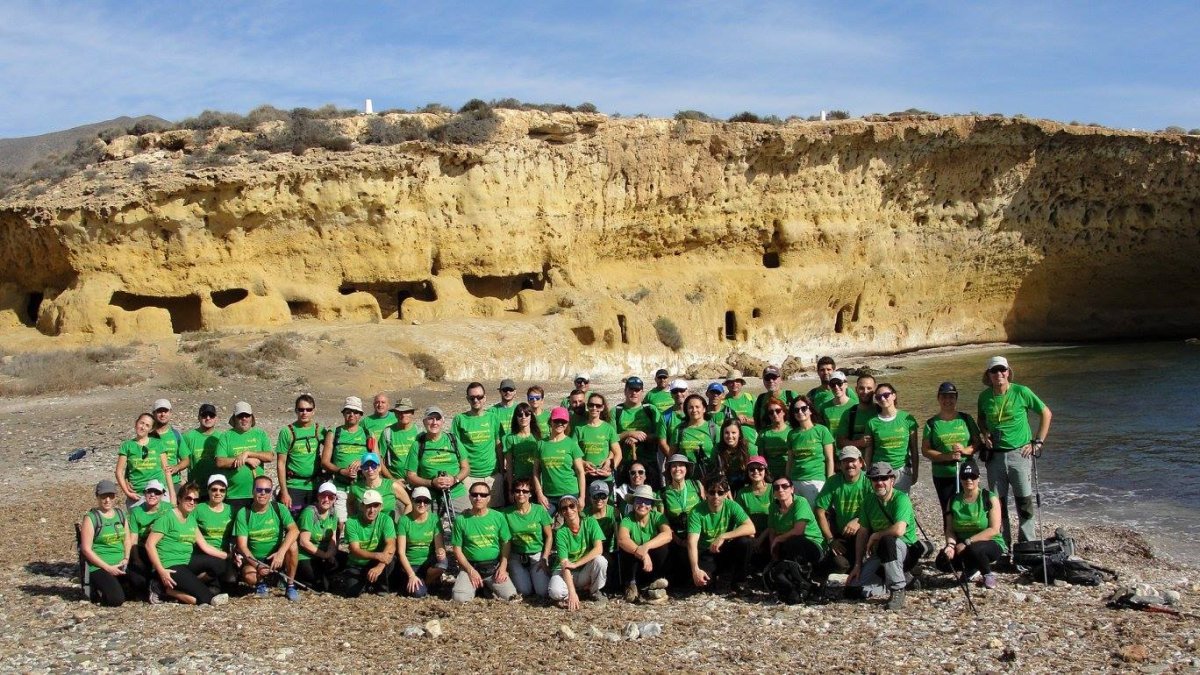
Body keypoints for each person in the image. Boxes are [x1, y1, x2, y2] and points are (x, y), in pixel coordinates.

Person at [977, 355, 1052, 546]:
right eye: (994, 371)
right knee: (997, 503)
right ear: (989, 374)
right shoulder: (984, 397)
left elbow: (1045, 413)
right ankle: (1002, 545)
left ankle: (1026, 547)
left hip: (1020, 454)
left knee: (1024, 502)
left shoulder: (1021, 392)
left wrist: (1038, 442)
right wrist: (984, 433)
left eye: (1002, 370)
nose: (999, 374)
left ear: (1008, 372)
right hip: (994, 458)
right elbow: (981, 420)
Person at [848, 462, 920, 611]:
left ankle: (898, 589)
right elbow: (862, 532)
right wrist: (857, 565)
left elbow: (899, 530)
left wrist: (876, 535)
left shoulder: (901, 499)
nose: (879, 482)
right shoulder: (868, 501)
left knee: (887, 541)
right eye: (875, 479)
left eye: (883, 478)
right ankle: (899, 580)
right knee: (851, 591)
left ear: (892, 480)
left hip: (903, 549)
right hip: (879, 552)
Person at [145, 481, 230, 605]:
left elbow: (204, 545)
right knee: (206, 598)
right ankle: (165, 590)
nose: (192, 502)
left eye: (195, 500)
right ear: (179, 499)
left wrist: (227, 556)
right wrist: (161, 571)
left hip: (187, 561)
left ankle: (185, 584)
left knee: (220, 565)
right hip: (171, 565)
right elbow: (149, 544)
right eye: (188, 498)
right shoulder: (167, 518)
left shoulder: (190, 518)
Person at [935, 461, 1005, 588]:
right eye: (965, 477)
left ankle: (987, 575)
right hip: (962, 544)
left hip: (989, 542)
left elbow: (994, 529)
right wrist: (950, 545)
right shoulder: (953, 500)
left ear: (978, 478)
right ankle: (971, 568)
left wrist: (968, 541)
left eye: (972, 477)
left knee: (975, 550)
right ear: (960, 479)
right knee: (942, 561)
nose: (969, 480)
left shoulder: (989, 497)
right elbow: (949, 528)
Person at [234, 475, 300, 599]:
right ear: (253, 491)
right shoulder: (244, 513)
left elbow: (294, 530)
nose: (263, 493)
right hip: (254, 558)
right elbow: (242, 546)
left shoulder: (279, 508)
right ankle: (261, 582)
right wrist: (257, 565)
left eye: (267, 490)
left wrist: (280, 553)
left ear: (271, 493)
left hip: (275, 556)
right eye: (259, 490)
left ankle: (290, 585)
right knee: (249, 576)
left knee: (293, 545)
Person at [451, 481, 519, 602]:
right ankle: (477, 586)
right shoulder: (461, 520)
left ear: (489, 498)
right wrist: (470, 570)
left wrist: (503, 567)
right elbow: (457, 549)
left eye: (483, 495)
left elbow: (506, 543)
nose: (478, 498)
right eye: (475, 494)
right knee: (460, 599)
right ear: (469, 497)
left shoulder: (498, 517)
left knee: (511, 596)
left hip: (493, 567)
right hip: (470, 567)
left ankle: (485, 586)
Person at [79, 479, 143, 607]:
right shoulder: (91, 518)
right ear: (97, 496)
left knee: (141, 585)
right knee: (116, 599)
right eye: (103, 496)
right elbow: (86, 549)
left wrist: (126, 558)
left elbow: (127, 539)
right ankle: (97, 587)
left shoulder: (120, 514)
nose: (107, 500)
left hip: (120, 563)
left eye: (110, 496)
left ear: (115, 497)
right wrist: (108, 568)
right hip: (100, 566)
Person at [688, 474, 755, 592]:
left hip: (725, 548)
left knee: (746, 541)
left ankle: (739, 581)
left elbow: (751, 528)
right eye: (712, 492)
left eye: (720, 492)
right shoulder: (696, 511)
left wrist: (723, 536)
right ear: (706, 493)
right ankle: (715, 575)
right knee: (704, 584)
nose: (716, 496)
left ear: (726, 493)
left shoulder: (732, 506)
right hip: (706, 552)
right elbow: (692, 542)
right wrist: (695, 570)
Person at [922, 382, 981, 513]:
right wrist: (946, 456)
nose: (947, 400)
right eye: (944, 397)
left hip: (967, 472)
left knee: (971, 509)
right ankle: (949, 533)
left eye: (951, 397)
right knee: (948, 510)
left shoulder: (966, 419)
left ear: (956, 398)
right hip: (942, 474)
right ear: (938, 398)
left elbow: (978, 443)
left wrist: (965, 450)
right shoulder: (931, 423)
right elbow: (925, 450)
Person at [405, 406, 471, 517]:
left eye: (438, 418)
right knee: (430, 529)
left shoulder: (453, 440)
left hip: (456, 492)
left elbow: (466, 468)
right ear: (424, 422)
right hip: (429, 495)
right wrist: (431, 483)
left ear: (443, 421)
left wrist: (454, 480)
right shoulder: (418, 445)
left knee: (467, 523)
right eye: (430, 418)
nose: (434, 422)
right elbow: (410, 476)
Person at [814, 447, 871, 573]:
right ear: (839, 465)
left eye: (853, 460)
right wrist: (830, 539)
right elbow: (819, 510)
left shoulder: (869, 480)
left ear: (861, 463)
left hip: (866, 532)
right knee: (839, 565)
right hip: (843, 535)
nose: (850, 464)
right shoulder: (833, 481)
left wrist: (859, 520)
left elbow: (877, 507)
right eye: (845, 461)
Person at [548, 494, 608, 610]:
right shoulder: (561, 533)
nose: (568, 510)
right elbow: (565, 564)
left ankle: (594, 591)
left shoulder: (590, 522)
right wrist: (572, 592)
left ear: (578, 507)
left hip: (583, 569)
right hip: (565, 572)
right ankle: (574, 593)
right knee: (554, 592)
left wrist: (576, 564)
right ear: (561, 512)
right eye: (564, 508)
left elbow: (599, 549)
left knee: (601, 561)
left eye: (571, 506)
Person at [453, 382, 506, 508]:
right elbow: (455, 449)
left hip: (492, 476)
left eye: (479, 397)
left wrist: (502, 472)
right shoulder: (460, 419)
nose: (476, 400)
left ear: (485, 397)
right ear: (467, 399)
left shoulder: (493, 418)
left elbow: (498, 445)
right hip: (469, 477)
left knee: (495, 513)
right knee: (470, 513)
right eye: (472, 398)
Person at [321, 396, 372, 529]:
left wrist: (362, 462)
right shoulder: (334, 433)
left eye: (355, 412)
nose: (351, 415)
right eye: (348, 411)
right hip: (340, 485)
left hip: (361, 486)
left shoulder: (367, 434)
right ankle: (336, 549)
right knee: (340, 523)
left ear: (360, 415)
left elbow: (375, 459)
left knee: (361, 522)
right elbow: (325, 462)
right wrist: (341, 471)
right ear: (343, 413)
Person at [616, 485, 672, 604]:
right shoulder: (627, 519)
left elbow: (668, 535)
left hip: (653, 564)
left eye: (647, 501)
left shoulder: (658, 517)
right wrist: (642, 553)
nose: (642, 504)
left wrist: (645, 547)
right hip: (636, 563)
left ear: (651, 505)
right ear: (634, 503)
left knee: (663, 547)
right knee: (626, 548)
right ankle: (631, 584)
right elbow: (622, 539)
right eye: (639, 500)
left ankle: (656, 582)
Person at [215, 402, 273, 514]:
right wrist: (245, 460)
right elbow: (219, 461)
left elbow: (270, 456)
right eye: (240, 416)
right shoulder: (226, 436)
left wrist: (248, 453)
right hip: (233, 495)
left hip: (258, 494)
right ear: (235, 418)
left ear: (252, 417)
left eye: (247, 415)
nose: (244, 419)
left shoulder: (260, 434)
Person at [338, 489, 396, 597]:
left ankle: (380, 586)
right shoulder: (351, 522)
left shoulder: (386, 520)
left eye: (376, 506)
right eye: (368, 506)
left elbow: (391, 544)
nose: (372, 510)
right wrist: (377, 555)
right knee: (352, 592)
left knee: (391, 557)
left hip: (376, 562)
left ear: (381, 507)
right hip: (358, 563)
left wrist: (380, 566)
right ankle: (367, 582)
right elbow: (355, 550)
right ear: (361, 506)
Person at [502, 478, 553, 599]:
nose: (521, 494)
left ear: (530, 494)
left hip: (537, 555)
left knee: (542, 592)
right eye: (517, 491)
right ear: (513, 493)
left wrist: (545, 557)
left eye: (525, 491)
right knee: (525, 591)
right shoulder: (506, 513)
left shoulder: (539, 510)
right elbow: (504, 540)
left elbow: (549, 536)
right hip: (517, 556)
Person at [863, 384, 919, 493]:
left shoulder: (908, 419)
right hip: (879, 471)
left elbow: (914, 449)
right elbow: (869, 451)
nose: (883, 399)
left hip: (902, 470)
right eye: (879, 397)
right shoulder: (872, 422)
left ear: (894, 395)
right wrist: (867, 473)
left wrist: (915, 472)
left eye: (886, 395)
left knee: (901, 505)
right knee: (881, 505)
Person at [276, 394, 326, 514]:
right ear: (296, 410)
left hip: (315, 486)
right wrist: (284, 492)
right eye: (301, 409)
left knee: (313, 523)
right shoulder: (287, 432)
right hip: (294, 485)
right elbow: (280, 463)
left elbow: (332, 450)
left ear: (313, 411)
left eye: (308, 409)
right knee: (292, 523)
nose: (304, 412)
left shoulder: (319, 430)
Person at [395, 486, 448, 598]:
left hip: (428, 562)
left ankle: (426, 581)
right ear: (412, 501)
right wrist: (411, 575)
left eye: (426, 501)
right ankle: (423, 582)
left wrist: (441, 551)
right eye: (418, 500)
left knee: (443, 562)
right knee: (419, 593)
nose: (422, 504)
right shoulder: (404, 520)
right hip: (411, 563)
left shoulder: (434, 519)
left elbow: (439, 546)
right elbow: (401, 552)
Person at [533, 407, 585, 516]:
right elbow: (536, 472)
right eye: (556, 420)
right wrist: (539, 494)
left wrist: (582, 497)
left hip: (570, 492)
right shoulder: (541, 444)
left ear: (567, 423)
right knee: (543, 522)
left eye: (563, 421)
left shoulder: (571, 444)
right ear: (550, 421)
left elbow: (580, 472)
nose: (560, 424)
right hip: (548, 495)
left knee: (571, 524)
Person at [786, 396, 835, 506]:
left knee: (817, 515)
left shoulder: (821, 430)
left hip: (816, 480)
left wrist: (829, 482)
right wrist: (787, 482)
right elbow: (790, 461)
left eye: (803, 408)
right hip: (795, 480)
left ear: (810, 410)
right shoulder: (792, 434)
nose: (800, 412)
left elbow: (829, 459)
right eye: (796, 410)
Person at [612, 376, 661, 487]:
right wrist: (628, 434)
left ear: (642, 392)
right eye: (631, 389)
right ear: (625, 391)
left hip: (649, 463)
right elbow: (611, 438)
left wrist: (640, 437)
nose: (634, 393)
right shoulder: (616, 411)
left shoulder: (650, 410)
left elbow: (660, 435)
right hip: (625, 465)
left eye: (637, 390)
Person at [116, 413, 174, 507]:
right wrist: (127, 492)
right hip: (138, 494)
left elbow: (166, 470)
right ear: (136, 423)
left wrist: (173, 497)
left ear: (151, 429)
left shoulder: (158, 443)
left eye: (147, 425)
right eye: (141, 423)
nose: (143, 427)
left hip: (159, 492)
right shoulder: (127, 446)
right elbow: (119, 472)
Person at [767, 477, 825, 569]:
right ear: (773, 492)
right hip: (786, 544)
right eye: (776, 487)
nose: (780, 489)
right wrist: (774, 555)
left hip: (811, 544)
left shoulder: (800, 502)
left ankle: (802, 574)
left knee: (793, 541)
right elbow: (772, 531)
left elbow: (798, 531)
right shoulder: (773, 506)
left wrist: (778, 539)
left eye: (785, 486)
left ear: (792, 489)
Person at [128, 478, 170, 600]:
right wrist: (136, 559)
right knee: (138, 579)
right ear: (144, 493)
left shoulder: (169, 508)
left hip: (163, 548)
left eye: (156, 492)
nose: (152, 495)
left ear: (162, 494)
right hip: (142, 548)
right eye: (149, 492)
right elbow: (133, 539)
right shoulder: (136, 512)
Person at [660, 454, 705, 567]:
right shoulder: (663, 493)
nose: (677, 469)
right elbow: (663, 522)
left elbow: (706, 509)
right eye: (674, 466)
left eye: (681, 465)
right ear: (669, 470)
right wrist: (679, 541)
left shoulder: (697, 485)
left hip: (699, 535)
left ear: (687, 469)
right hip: (678, 539)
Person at [572, 393, 622, 494]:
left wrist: (610, 468)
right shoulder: (579, 428)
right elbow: (572, 454)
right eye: (591, 405)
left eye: (598, 405)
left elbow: (618, 453)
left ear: (602, 407)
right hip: (585, 476)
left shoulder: (608, 428)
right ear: (587, 406)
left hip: (605, 477)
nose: (594, 408)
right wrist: (583, 463)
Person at [296, 482, 340, 592]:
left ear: (335, 499)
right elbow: (303, 542)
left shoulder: (333, 513)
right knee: (321, 584)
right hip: (306, 555)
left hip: (323, 553)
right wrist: (325, 555)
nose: (326, 499)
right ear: (318, 496)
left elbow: (333, 538)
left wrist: (331, 553)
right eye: (323, 495)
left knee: (345, 562)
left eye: (331, 497)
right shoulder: (309, 513)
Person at [193, 474, 235, 586]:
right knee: (214, 587)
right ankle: (194, 583)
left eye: (222, 490)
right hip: (204, 553)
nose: (218, 493)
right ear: (208, 490)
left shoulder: (231, 510)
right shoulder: (198, 508)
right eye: (214, 489)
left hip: (225, 552)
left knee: (231, 582)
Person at [348, 451, 412, 519]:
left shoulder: (392, 486)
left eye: (373, 466)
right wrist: (354, 519)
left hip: (388, 528)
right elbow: (349, 503)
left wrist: (402, 524)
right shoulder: (355, 487)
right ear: (362, 470)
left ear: (379, 468)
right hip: (364, 527)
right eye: (366, 466)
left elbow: (409, 504)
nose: (370, 469)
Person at [671, 394, 720, 478]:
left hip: (710, 476)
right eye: (691, 407)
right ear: (686, 410)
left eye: (697, 407)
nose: (694, 410)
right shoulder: (679, 429)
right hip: (686, 478)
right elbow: (672, 456)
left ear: (704, 409)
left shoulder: (713, 428)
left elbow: (721, 453)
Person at [734, 455, 772, 562]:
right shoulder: (742, 493)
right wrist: (752, 537)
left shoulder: (774, 489)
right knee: (743, 543)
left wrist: (760, 539)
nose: (756, 471)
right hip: (750, 534)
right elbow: (740, 519)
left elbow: (777, 519)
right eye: (752, 469)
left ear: (765, 471)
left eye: (760, 468)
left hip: (770, 532)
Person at [182, 403, 222, 491]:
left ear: (216, 418)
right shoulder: (188, 437)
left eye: (211, 415)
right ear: (199, 417)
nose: (208, 418)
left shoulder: (221, 437)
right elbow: (178, 458)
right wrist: (180, 480)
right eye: (204, 415)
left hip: (216, 488)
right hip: (195, 488)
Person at [149, 398, 188, 490]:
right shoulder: (147, 435)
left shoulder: (176, 435)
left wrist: (176, 467)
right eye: (159, 411)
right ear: (153, 414)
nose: (163, 414)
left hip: (173, 482)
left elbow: (186, 460)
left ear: (170, 413)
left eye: (165, 411)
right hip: (151, 484)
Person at [503, 402, 542, 490]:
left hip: (537, 480)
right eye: (520, 415)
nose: (523, 417)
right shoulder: (510, 438)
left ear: (531, 417)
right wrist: (510, 489)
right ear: (516, 417)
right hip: (519, 482)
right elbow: (509, 465)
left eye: (527, 414)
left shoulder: (537, 436)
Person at [837, 374, 879, 451]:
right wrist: (859, 443)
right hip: (856, 460)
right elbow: (840, 442)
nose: (865, 392)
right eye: (861, 388)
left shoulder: (881, 411)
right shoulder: (849, 414)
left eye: (869, 388)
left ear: (875, 390)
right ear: (856, 389)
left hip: (879, 460)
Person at [380, 398, 419, 481]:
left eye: (406, 412)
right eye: (400, 412)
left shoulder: (419, 432)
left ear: (412, 413)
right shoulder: (387, 432)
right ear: (395, 414)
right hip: (394, 480)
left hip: (417, 480)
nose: (403, 415)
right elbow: (379, 459)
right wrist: (392, 480)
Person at [753, 366, 799, 430]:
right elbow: (757, 422)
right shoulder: (761, 399)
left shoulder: (791, 395)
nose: (771, 381)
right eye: (767, 378)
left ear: (780, 380)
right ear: (763, 381)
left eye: (774, 377)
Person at [756, 397, 791, 479]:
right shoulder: (763, 434)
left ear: (784, 412)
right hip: (771, 476)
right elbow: (761, 457)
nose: (775, 414)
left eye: (778, 411)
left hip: (790, 474)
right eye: (771, 412)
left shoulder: (792, 431)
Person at [655, 380, 690, 462]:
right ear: (671, 394)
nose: (678, 394)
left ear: (687, 391)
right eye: (675, 391)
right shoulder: (665, 416)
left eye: (682, 390)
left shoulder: (696, 413)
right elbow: (662, 442)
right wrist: (674, 460)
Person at [817, 371, 856, 441]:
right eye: (832, 384)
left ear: (846, 384)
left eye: (839, 383)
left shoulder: (855, 405)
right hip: (831, 449)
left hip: (850, 449)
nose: (836, 387)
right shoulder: (824, 408)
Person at [716, 419, 753, 490]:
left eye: (733, 433)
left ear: (739, 434)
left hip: (747, 484)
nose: (730, 436)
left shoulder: (750, 448)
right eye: (726, 433)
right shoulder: (718, 449)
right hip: (726, 486)